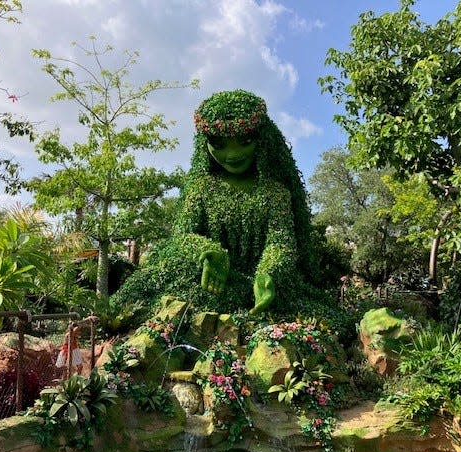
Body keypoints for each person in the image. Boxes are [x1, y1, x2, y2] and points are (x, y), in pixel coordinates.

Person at [114, 89, 317, 316]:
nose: (232, 154)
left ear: (263, 139)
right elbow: (183, 235)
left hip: (257, 290)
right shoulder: (201, 188)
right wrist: (210, 252)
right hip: (208, 282)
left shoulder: (276, 193)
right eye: (219, 145)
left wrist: (268, 273)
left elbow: (280, 242)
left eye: (245, 141)